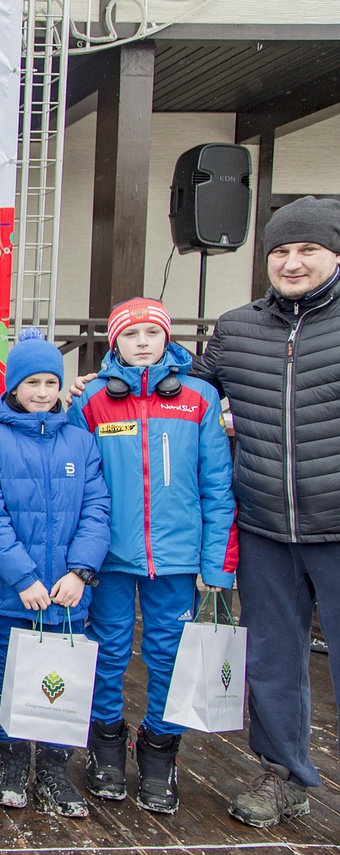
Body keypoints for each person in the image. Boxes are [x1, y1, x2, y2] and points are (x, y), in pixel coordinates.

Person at [188, 197, 340, 828]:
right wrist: (112, 383)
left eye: (307, 249)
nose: (292, 262)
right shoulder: (237, 327)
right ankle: (283, 776)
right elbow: (191, 388)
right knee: (273, 662)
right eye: (280, 250)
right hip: (264, 531)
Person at [66, 298, 235, 815]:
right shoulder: (91, 398)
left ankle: (161, 754)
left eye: (151, 333)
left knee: (169, 656)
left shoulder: (200, 398)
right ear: (114, 341)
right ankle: (108, 749)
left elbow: (218, 485)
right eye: (131, 333)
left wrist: (217, 564)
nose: (142, 342)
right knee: (108, 652)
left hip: (178, 559)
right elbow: (74, 481)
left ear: (168, 340)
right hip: (110, 556)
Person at [0, 328, 110, 818]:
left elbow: (97, 510)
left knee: (63, 676)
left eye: (52, 382)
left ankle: (53, 767)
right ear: (14, 386)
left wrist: (80, 572)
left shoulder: (81, 441)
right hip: (15, 591)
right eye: (33, 382)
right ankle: (11, 761)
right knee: (9, 670)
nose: (43, 392)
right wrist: (24, 578)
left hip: (68, 591)